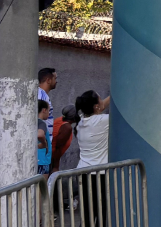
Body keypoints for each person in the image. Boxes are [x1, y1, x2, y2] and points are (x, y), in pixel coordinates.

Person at [75, 91, 111, 227]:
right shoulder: (102, 121)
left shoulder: (81, 121)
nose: (103, 101)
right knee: (100, 214)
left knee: (87, 214)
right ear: (96, 106)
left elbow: (101, 106)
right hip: (99, 175)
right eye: (100, 98)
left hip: (83, 173)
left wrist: (111, 95)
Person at [51, 105, 80, 174]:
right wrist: (55, 166)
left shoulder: (60, 120)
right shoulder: (67, 127)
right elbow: (58, 147)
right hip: (51, 158)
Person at [38, 68, 56, 132]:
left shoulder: (43, 95)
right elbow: (39, 119)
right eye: (55, 78)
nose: (56, 81)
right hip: (43, 139)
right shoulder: (41, 96)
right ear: (48, 80)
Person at [37, 100, 51, 176]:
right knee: (42, 187)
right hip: (42, 161)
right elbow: (40, 134)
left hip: (36, 160)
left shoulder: (32, 122)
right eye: (49, 110)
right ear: (44, 110)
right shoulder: (41, 123)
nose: (49, 113)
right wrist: (44, 143)